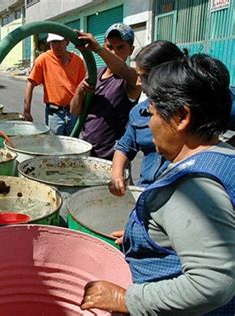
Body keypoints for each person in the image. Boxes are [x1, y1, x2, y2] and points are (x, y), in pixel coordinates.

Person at [80, 54, 234, 314]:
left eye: (151, 113)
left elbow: (213, 283)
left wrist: (125, 299)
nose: (149, 123)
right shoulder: (225, 155)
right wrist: (143, 237)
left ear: (182, 116)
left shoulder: (193, 189)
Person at [109, 41, 184, 196]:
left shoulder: (192, 111)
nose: (138, 83)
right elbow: (124, 147)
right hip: (146, 192)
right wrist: (117, 174)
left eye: (144, 77)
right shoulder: (139, 113)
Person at [70, 24, 140, 160]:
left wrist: (98, 49)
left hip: (112, 157)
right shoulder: (95, 73)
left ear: (131, 50)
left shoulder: (132, 78)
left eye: (120, 47)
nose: (114, 52)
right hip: (86, 151)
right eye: (109, 47)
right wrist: (79, 91)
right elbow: (75, 111)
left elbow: (120, 68)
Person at [23, 33, 86, 136]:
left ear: (67, 41)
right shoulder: (43, 59)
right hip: (54, 113)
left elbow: (83, 87)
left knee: (73, 144)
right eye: (53, 42)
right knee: (55, 146)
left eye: (59, 42)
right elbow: (30, 84)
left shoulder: (77, 61)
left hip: (73, 112)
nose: (56, 46)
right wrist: (27, 111)